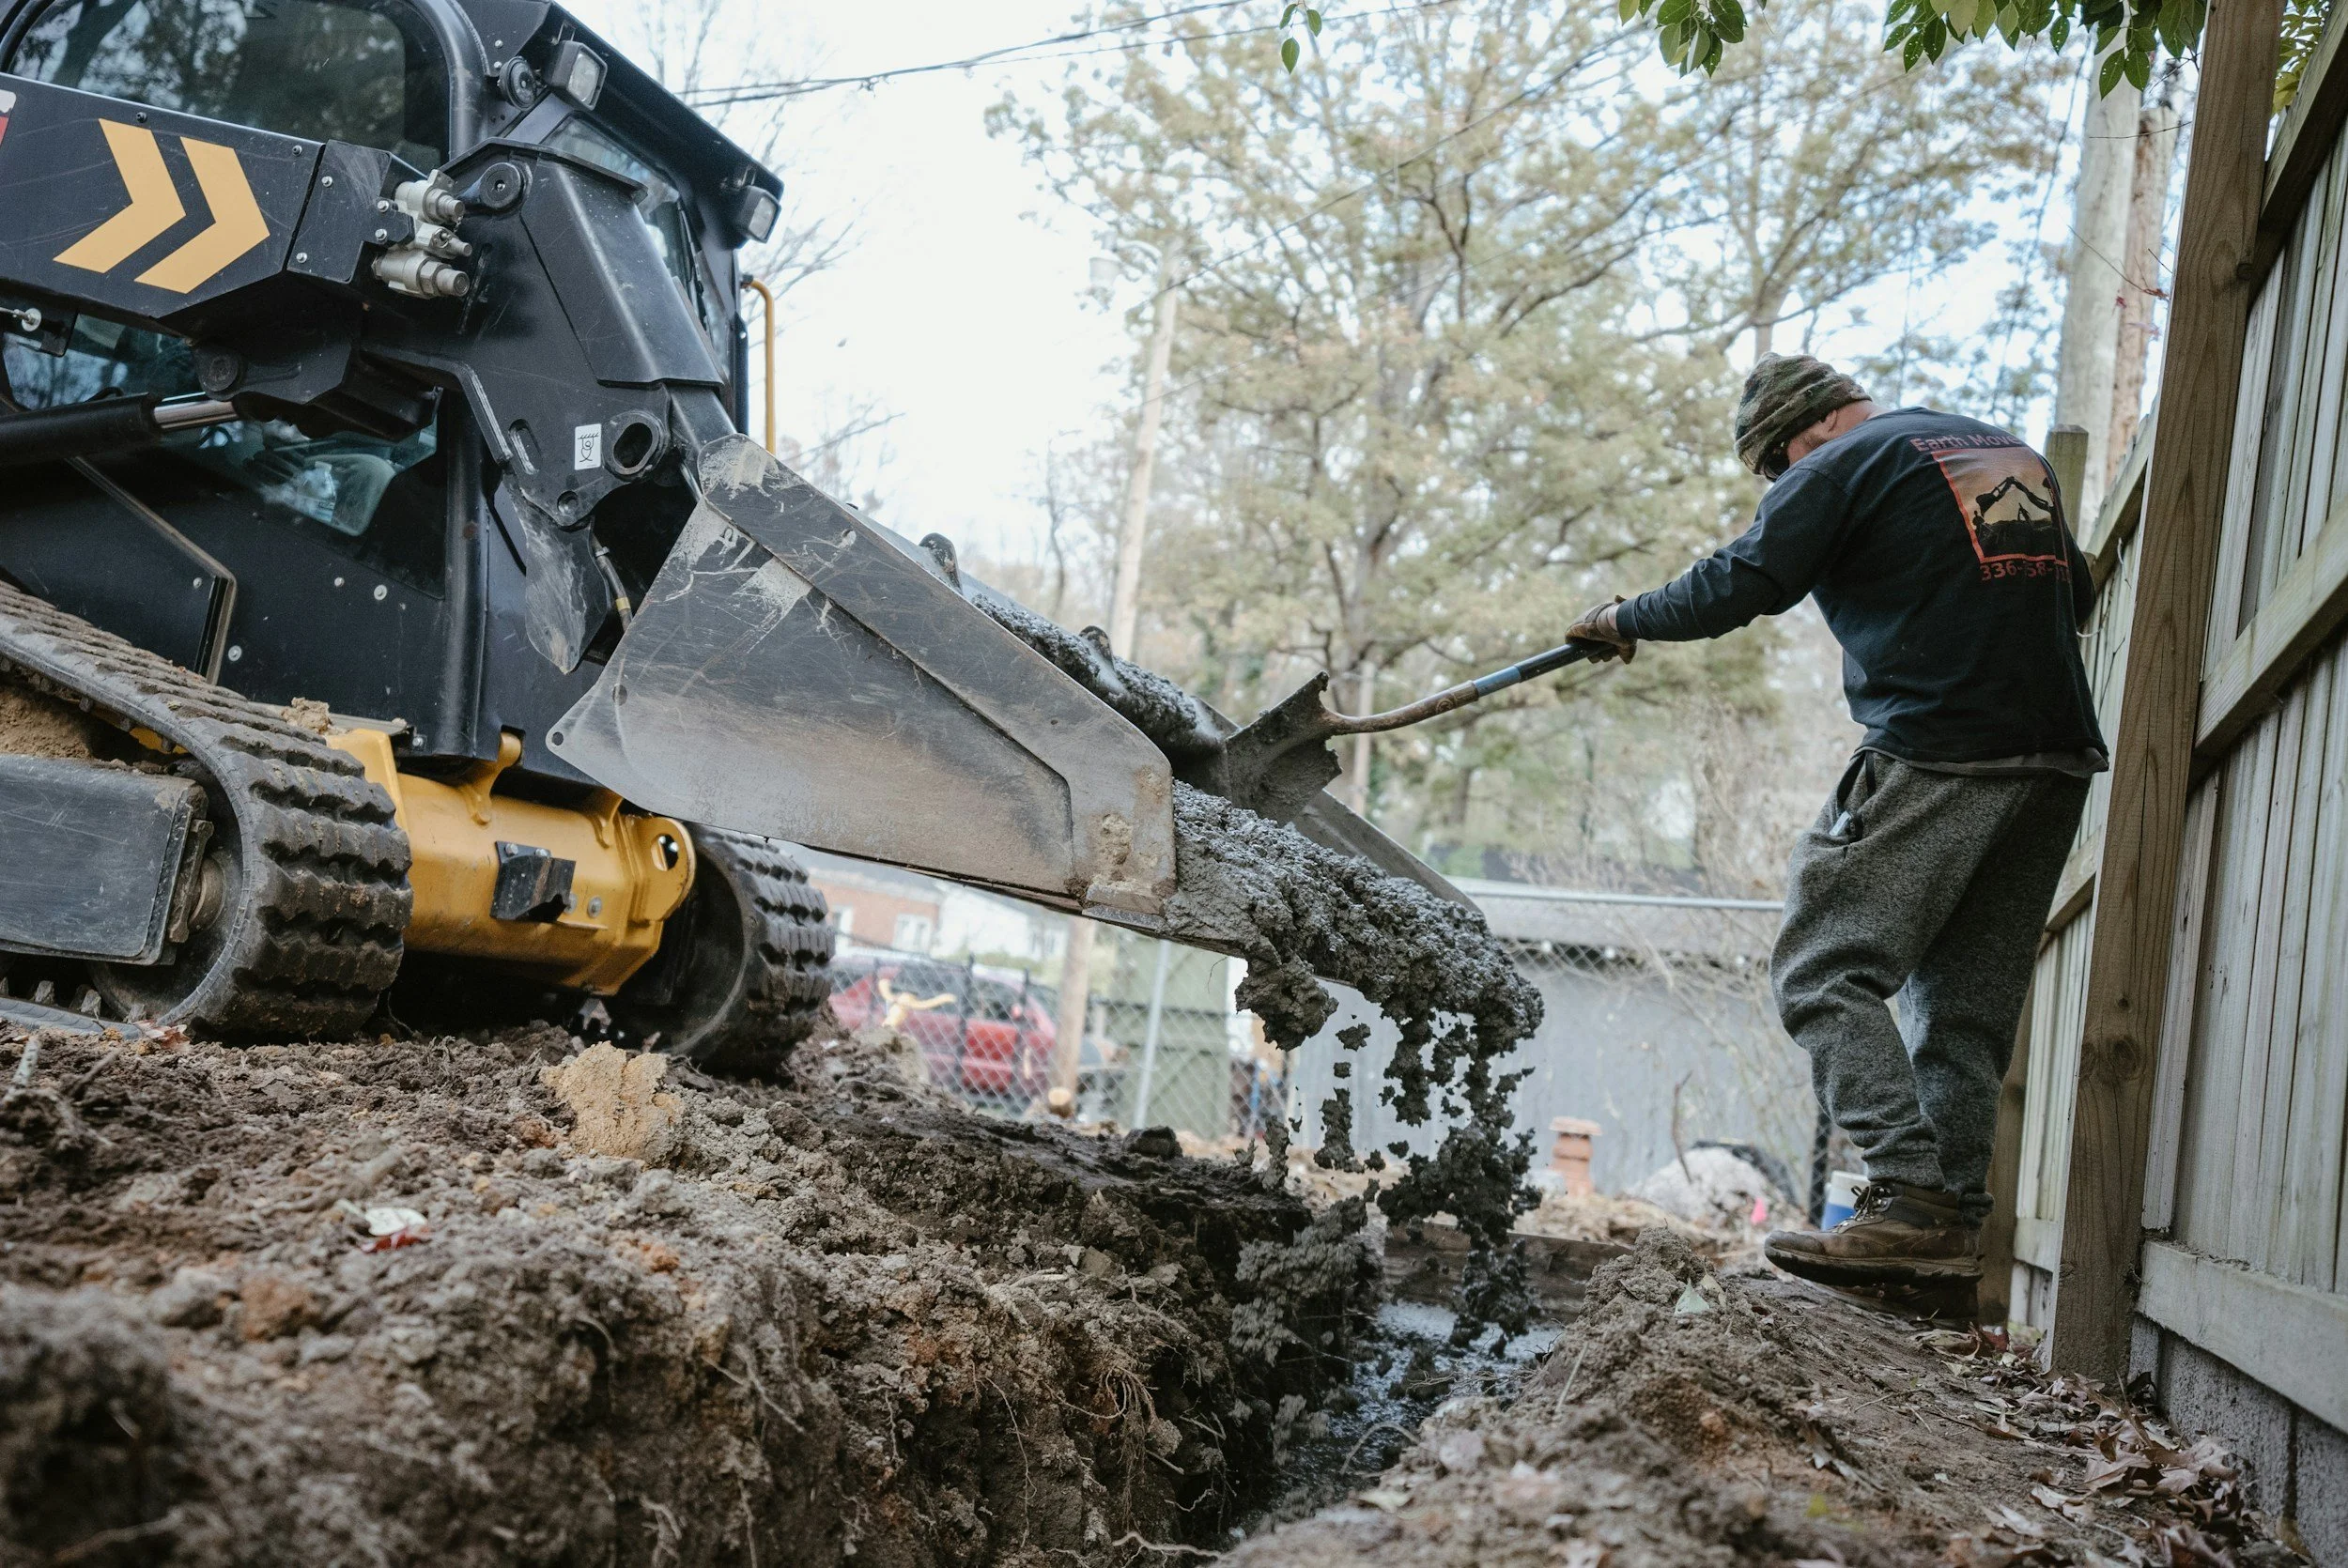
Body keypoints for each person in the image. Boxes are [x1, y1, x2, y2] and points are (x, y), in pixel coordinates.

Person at [1565, 353, 2106, 1290]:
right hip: (2052, 759)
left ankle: (1906, 1193)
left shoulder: (1837, 463)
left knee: (1822, 967)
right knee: (1962, 1015)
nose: (1784, 486)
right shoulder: (1994, 452)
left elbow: (1741, 580)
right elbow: (2078, 592)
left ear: (1798, 436)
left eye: (1776, 472)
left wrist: (1623, 616)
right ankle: (1941, 1248)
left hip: (1938, 746)